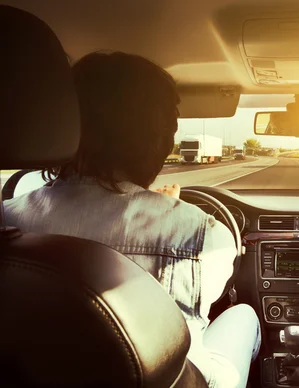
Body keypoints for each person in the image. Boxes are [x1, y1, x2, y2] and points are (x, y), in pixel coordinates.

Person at [3, 51, 260, 388]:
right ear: (155, 140)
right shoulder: (201, 234)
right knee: (245, 316)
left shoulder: (6, 220)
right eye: (170, 128)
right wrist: (170, 212)